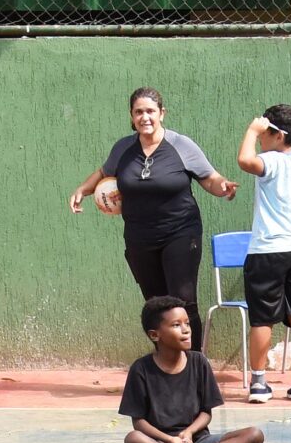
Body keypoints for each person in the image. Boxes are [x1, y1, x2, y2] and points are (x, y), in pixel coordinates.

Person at [68, 87, 238, 355]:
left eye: (150, 111)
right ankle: (167, 363)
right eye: (139, 112)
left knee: (183, 301)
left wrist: (223, 187)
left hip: (181, 232)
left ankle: (192, 365)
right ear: (131, 116)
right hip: (139, 237)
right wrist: (82, 190)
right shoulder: (123, 148)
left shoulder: (181, 145)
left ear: (162, 113)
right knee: (156, 305)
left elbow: (209, 178)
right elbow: (104, 172)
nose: (144, 117)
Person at [121, 296, 266, 443]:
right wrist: (170, 440)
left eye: (187, 323)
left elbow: (206, 413)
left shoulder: (199, 362)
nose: (186, 329)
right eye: (176, 325)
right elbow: (138, 423)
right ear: (155, 335)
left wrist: (188, 433)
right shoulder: (141, 369)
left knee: (254, 435)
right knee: (133, 439)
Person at [233, 104, 291, 405]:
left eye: (264, 132)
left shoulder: (270, 161)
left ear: (276, 134)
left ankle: (259, 384)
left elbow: (245, 160)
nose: (260, 137)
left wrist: (250, 130)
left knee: (261, 319)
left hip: (268, 250)